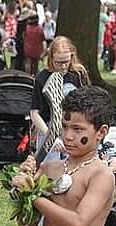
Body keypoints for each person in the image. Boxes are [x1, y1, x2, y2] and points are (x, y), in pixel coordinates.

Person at [11, 86, 115, 226]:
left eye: (78, 129)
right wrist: (24, 188)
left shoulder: (101, 175)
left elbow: (78, 223)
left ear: (101, 132)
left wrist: (33, 195)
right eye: (64, 126)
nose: (68, 136)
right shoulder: (49, 168)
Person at [30, 36, 90, 164]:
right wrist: (50, 137)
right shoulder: (42, 78)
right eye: (58, 63)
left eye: (66, 62)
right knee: (50, 172)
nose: (63, 67)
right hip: (48, 127)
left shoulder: (78, 74)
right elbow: (34, 113)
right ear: (51, 59)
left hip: (74, 126)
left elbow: (87, 104)